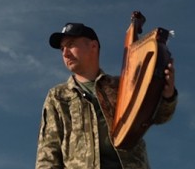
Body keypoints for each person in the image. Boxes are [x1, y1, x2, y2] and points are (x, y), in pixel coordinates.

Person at [36, 23, 177, 169]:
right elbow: (48, 153)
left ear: (93, 46)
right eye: (62, 49)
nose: (65, 53)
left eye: (71, 45)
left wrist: (168, 95)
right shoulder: (58, 96)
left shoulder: (121, 86)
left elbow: (158, 116)